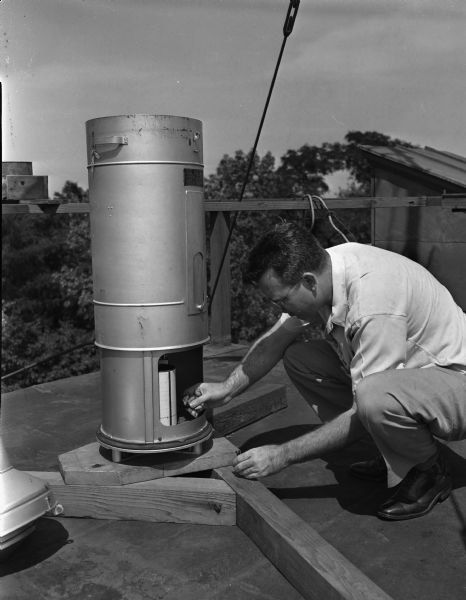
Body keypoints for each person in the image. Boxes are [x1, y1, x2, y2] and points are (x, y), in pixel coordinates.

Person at [183, 222, 466, 520]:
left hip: (456, 383)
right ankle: (391, 449)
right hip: (416, 377)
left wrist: (281, 456)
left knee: (374, 397)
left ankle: (428, 471)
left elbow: (364, 407)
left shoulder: (373, 300)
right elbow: (276, 341)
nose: (281, 308)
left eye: (282, 300)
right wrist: (226, 389)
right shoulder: (326, 267)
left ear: (308, 282)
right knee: (301, 359)